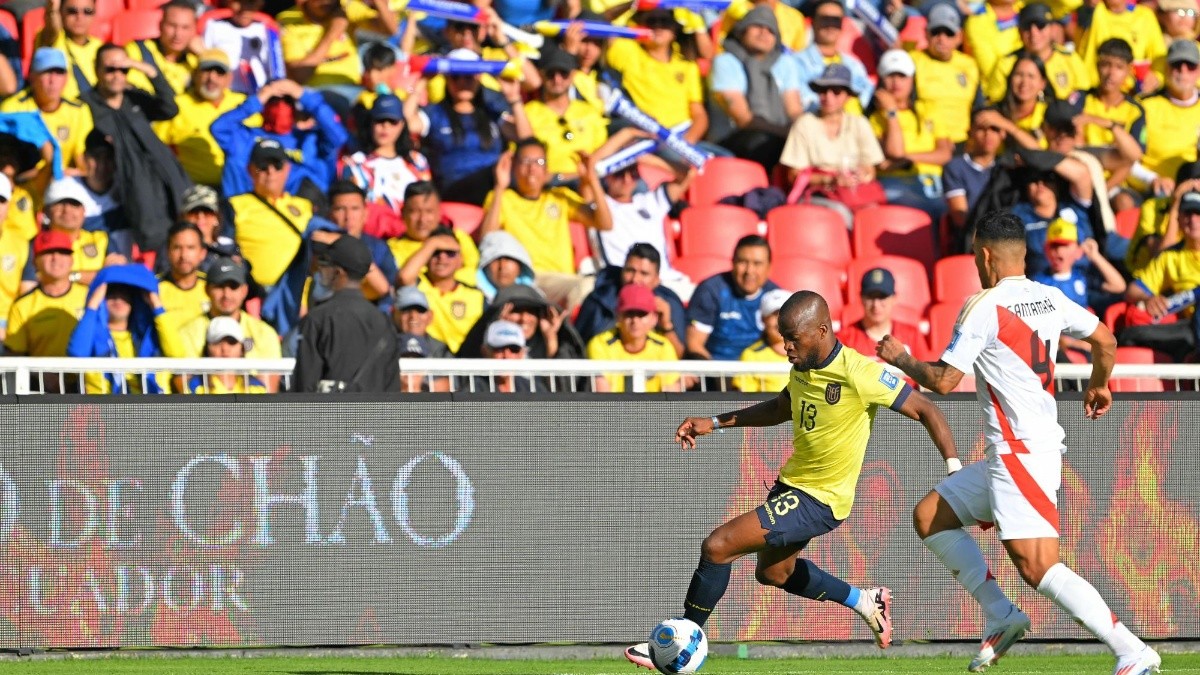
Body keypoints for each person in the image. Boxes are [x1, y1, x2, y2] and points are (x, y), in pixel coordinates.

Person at [876, 209, 1161, 675]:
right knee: (930, 516)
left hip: (1021, 453)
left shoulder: (983, 305)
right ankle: (1001, 615)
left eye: (973, 255)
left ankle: (1132, 649)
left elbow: (945, 381)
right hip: (1012, 454)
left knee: (1039, 568)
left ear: (985, 256)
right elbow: (1106, 340)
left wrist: (903, 358)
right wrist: (1100, 384)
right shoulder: (1050, 297)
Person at [624, 289, 959, 669]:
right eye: (783, 337)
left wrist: (953, 468)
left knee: (718, 546)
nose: (785, 346)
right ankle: (866, 601)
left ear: (821, 330)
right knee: (773, 573)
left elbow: (926, 408)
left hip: (821, 499)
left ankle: (682, 640)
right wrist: (716, 423)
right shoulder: (803, 365)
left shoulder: (859, 372)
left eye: (792, 338)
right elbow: (783, 407)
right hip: (793, 484)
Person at [83, 42, 193, 255]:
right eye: (110, 69)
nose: (117, 75)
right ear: (96, 70)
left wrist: (148, 70)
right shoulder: (86, 105)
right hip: (131, 187)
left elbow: (169, 108)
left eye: (123, 69)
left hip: (167, 177)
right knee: (156, 245)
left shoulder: (133, 96)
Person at [479, 138, 612, 311]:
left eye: (539, 162)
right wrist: (499, 186)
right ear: (514, 167)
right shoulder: (503, 198)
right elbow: (487, 238)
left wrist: (592, 179)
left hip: (563, 280)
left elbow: (605, 223)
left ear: (546, 169)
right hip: (529, 277)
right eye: (525, 161)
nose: (532, 168)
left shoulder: (559, 197)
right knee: (585, 286)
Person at [403, 51, 532, 206]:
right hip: (454, 189)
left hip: (494, 186)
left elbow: (528, 141)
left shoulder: (491, 113)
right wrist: (422, 83)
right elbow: (404, 124)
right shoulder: (435, 114)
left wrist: (514, 98)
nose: (462, 82)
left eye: (469, 77)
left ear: (478, 78)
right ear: (447, 79)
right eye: (456, 77)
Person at [779, 63, 885, 229]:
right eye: (823, 91)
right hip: (818, 193)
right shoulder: (804, 124)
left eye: (836, 92)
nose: (828, 97)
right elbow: (794, 175)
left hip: (852, 192)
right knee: (841, 214)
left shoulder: (859, 123)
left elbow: (871, 169)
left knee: (874, 215)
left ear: (847, 96)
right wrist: (831, 180)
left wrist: (860, 175)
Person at [292, 234, 401, 392]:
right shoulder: (384, 322)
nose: (321, 270)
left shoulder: (318, 319)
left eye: (325, 265)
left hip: (331, 414)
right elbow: (392, 387)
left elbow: (305, 385)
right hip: (373, 414)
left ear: (338, 272)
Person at [158, 256, 282, 391]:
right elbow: (183, 385)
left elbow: (269, 391)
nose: (226, 295)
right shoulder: (187, 332)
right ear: (206, 289)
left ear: (244, 291)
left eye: (233, 287)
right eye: (219, 286)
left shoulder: (264, 333)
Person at [709, 6, 802, 170]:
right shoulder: (725, 61)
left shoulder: (785, 63)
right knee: (763, 142)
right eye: (757, 26)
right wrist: (787, 134)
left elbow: (794, 111)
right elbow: (743, 119)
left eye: (770, 30)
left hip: (777, 134)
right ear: (742, 31)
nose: (763, 33)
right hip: (732, 140)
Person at [870, 49, 952, 222]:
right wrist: (891, 112)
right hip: (894, 182)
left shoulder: (929, 109)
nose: (896, 82)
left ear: (912, 79)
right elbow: (894, 153)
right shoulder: (876, 118)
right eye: (890, 76)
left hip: (932, 181)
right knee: (927, 208)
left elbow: (944, 154)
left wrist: (907, 160)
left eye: (902, 76)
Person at [594, 158, 694, 299]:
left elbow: (688, 174)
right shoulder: (599, 205)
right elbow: (591, 170)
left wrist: (642, 157)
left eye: (633, 173)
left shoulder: (650, 201)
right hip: (625, 283)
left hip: (668, 281)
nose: (627, 179)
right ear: (607, 176)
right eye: (619, 174)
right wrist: (629, 136)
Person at [1119, 190, 1200, 362]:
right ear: (1178, 218)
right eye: (1187, 213)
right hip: (1192, 328)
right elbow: (1132, 290)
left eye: (1198, 213)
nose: (1193, 220)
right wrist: (1148, 298)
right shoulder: (1170, 256)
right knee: (1129, 335)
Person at [66, 265, 170, 394]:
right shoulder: (91, 335)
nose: (118, 299)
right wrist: (92, 305)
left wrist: (157, 306)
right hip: (104, 411)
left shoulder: (151, 336)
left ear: (135, 301)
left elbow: (178, 354)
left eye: (124, 294)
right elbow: (77, 354)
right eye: (111, 293)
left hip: (150, 410)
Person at [154, 49, 246, 188]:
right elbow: (156, 147)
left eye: (219, 73)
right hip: (194, 188)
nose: (212, 78)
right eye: (206, 71)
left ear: (229, 78)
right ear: (195, 74)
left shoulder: (243, 104)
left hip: (240, 188)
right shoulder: (177, 106)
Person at [574, 242, 686, 356]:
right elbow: (577, 349)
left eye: (644, 273)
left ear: (657, 280)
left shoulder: (670, 303)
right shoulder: (599, 300)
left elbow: (682, 360)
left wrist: (666, 325)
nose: (635, 279)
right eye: (630, 270)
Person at [686, 234, 780, 361]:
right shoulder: (711, 291)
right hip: (716, 373)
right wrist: (722, 378)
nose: (749, 271)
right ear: (733, 262)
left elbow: (782, 344)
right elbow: (694, 344)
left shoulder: (776, 297)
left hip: (758, 375)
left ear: (769, 267)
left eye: (757, 264)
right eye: (743, 262)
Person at [0, 47, 95, 172]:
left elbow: (82, 158)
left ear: (67, 78)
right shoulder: (12, 108)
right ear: (32, 77)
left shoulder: (79, 110)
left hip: (61, 184)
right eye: (46, 72)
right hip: (20, 185)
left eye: (59, 73)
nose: (53, 80)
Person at [524, 47, 608, 185]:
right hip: (548, 185)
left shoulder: (589, 111)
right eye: (551, 73)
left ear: (573, 75)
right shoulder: (528, 112)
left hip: (588, 182)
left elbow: (602, 153)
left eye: (564, 73)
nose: (557, 79)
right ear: (541, 74)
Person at [340, 94, 431, 220]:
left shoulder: (417, 161)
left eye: (393, 121)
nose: (385, 126)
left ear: (402, 125)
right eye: (380, 120)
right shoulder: (355, 164)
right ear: (370, 123)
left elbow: (426, 201)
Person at [396, 225, 485, 354]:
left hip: (465, 367)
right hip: (426, 361)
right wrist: (433, 243)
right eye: (435, 252)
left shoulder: (475, 295)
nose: (442, 257)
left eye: (450, 253)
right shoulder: (419, 286)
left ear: (461, 260)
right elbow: (404, 277)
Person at [3, 229, 88, 358]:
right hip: (40, 378)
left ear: (72, 260)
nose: (56, 258)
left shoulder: (90, 298)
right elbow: (15, 357)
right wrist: (38, 374)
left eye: (63, 252)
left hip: (87, 377)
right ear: (34, 262)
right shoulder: (22, 306)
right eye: (48, 252)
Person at [982, 3, 1089, 104]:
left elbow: (1084, 92)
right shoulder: (1006, 64)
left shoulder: (1069, 58)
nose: (1034, 33)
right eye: (1027, 27)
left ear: (1052, 28)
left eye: (1040, 26)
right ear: (1019, 31)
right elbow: (994, 103)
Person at [587, 282, 681, 392]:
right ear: (618, 316)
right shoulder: (600, 344)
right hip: (614, 408)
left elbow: (671, 395)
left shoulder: (663, 346)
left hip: (655, 409)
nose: (635, 321)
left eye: (641, 314)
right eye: (629, 313)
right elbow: (603, 397)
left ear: (654, 318)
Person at [911, 3, 981, 146]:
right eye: (936, 32)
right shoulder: (913, 62)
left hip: (962, 142)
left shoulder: (969, 66)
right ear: (926, 33)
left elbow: (978, 108)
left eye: (949, 33)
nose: (942, 39)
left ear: (959, 37)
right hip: (926, 141)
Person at [387, 181, 480, 285]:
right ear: (403, 213)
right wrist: (432, 245)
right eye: (415, 212)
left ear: (440, 212)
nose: (422, 219)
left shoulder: (458, 237)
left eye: (429, 211)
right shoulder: (391, 249)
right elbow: (405, 280)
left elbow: (477, 274)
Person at [792, 0, 874, 115]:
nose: (830, 25)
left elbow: (869, 95)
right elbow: (803, 102)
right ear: (813, 22)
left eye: (836, 20)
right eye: (825, 19)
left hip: (856, 126)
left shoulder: (854, 64)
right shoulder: (796, 62)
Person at [943, 108, 1007, 252]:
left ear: (1003, 133)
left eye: (994, 128)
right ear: (970, 131)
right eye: (981, 128)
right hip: (971, 241)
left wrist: (1010, 126)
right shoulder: (955, 167)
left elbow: (1043, 156)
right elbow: (960, 217)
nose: (988, 134)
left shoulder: (1008, 167)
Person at [202, 0, 285, 95]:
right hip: (226, 94)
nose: (245, 10)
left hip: (259, 95)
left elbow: (276, 69)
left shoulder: (266, 29)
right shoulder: (214, 26)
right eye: (239, 3)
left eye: (250, 4)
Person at [837, 268, 922, 360]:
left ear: (894, 298)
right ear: (861, 298)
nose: (876, 305)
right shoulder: (845, 338)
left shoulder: (912, 336)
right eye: (870, 297)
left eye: (882, 297)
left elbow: (927, 371)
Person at [124, 0, 200, 96]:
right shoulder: (137, 50)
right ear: (160, 25)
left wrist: (204, 55)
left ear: (194, 30)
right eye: (172, 25)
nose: (178, 34)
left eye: (185, 27)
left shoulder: (197, 61)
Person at [182, 315, 269, 394]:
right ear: (207, 348)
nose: (225, 348)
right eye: (217, 342)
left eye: (231, 342)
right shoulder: (195, 385)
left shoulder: (257, 387)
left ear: (242, 349)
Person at [392, 284, 452, 393]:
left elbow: (452, 386)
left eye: (420, 310)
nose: (413, 317)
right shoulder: (384, 346)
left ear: (430, 316)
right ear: (393, 314)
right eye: (406, 310)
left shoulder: (441, 350)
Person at [38, 0, 101, 100]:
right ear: (61, 12)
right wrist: (53, 9)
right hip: (63, 110)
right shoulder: (53, 40)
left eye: (87, 11)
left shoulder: (100, 46)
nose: (80, 17)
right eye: (72, 11)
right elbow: (52, 27)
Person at [731, 287, 790, 392]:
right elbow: (744, 401)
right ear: (763, 319)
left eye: (786, 314)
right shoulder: (751, 355)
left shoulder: (809, 353)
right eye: (774, 314)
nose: (780, 321)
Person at [475, 230, 536, 303]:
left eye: (509, 258)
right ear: (485, 266)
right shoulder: (471, 299)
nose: (502, 266)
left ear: (521, 265)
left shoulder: (535, 299)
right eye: (495, 259)